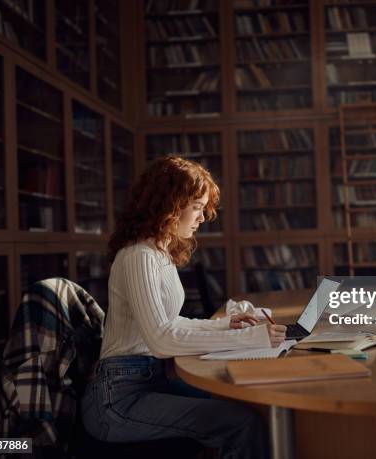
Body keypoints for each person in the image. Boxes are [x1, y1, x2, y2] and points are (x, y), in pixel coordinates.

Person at [82, 156, 286, 459]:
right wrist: (250, 338)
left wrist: (224, 325)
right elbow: (162, 339)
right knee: (240, 424)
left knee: (244, 405)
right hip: (117, 399)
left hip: (146, 381)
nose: (203, 218)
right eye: (197, 207)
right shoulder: (139, 255)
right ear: (170, 205)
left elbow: (170, 322)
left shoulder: (158, 253)